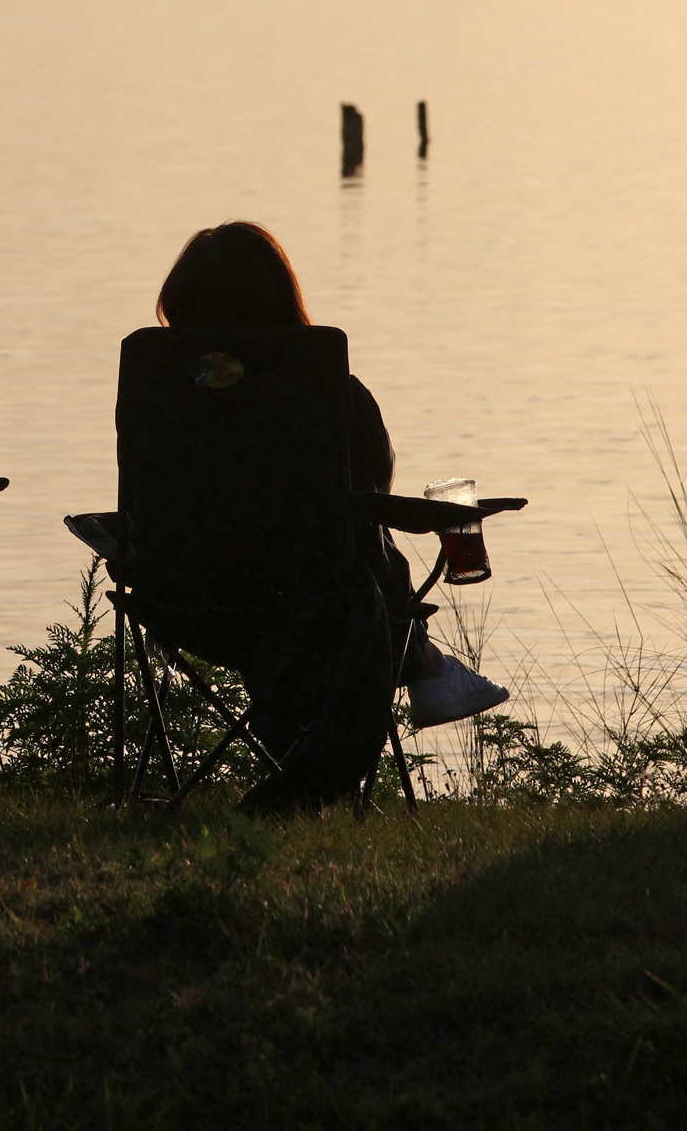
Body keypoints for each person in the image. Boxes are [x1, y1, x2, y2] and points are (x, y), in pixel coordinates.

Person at [136, 222, 509, 810]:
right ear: (283, 302)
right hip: (315, 607)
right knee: (368, 558)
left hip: (181, 601)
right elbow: (372, 487)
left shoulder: (154, 391)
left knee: (357, 564)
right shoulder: (327, 392)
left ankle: (424, 665)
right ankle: (424, 663)